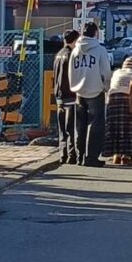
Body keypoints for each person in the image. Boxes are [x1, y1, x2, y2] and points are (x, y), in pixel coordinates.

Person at [67, 21, 112, 164]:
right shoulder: (99, 50)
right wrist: (106, 87)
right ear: (95, 33)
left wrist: (74, 86)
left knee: (80, 126)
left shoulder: (75, 50)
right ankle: (91, 157)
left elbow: (70, 72)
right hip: (96, 90)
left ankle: (80, 156)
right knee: (96, 126)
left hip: (79, 92)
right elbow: (106, 72)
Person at [50, 30, 81, 163]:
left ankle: (63, 155)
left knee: (62, 129)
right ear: (75, 40)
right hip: (70, 95)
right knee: (71, 128)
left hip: (59, 95)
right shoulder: (71, 55)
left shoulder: (59, 55)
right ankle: (71, 155)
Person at [106, 54, 132, 165]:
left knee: (115, 127)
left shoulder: (116, 73)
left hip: (113, 100)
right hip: (128, 99)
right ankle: (127, 155)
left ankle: (116, 154)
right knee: (129, 127)